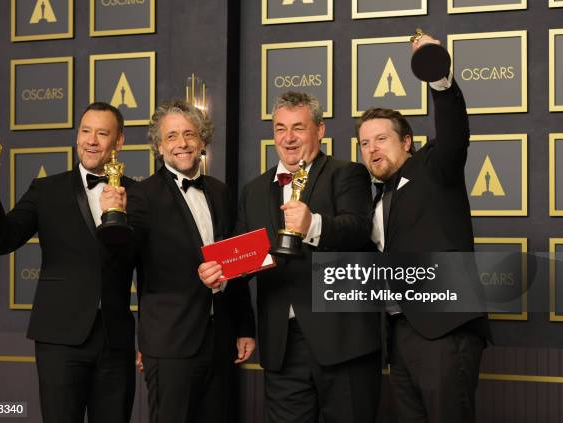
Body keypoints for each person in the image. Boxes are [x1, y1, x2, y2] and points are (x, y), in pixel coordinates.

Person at [199, 92, 381, 423]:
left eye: (298, 127)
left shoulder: (347, 173)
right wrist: (222, 272)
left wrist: (313, 224)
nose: (288, 137)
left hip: (343, 339)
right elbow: (244, 257)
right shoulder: (253, 190)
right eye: (280, 128)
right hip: (281, 346)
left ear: (320, 131)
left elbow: (358, 230)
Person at [0, 102, 136, 422]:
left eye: (102, 133)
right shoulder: (46, 189)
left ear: (119, 141)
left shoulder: (137, 194)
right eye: (85, 131)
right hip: (59, 339)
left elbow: (150, 266)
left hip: (115, 341)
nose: (91, 140)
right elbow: (3, 240)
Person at [356, 35, 488, 422]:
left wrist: (439, 77)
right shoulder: (374, 198)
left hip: (445, 332)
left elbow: (453, 135)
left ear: (409, 142)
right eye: (364, 144)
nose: (372, 149)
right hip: (398, 336)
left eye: (381, 139)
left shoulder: (434, 167)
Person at [110, 99, 256, 423]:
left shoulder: (220, 192)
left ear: (202, 141)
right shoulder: (141, 196)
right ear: (159, 146)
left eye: (190, 134)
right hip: (170, 344)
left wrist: (245, 325)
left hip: (219, 342)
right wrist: (114, 217)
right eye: (172, 136)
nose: (182, 143)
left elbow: (233, 259)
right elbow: (120, 260)